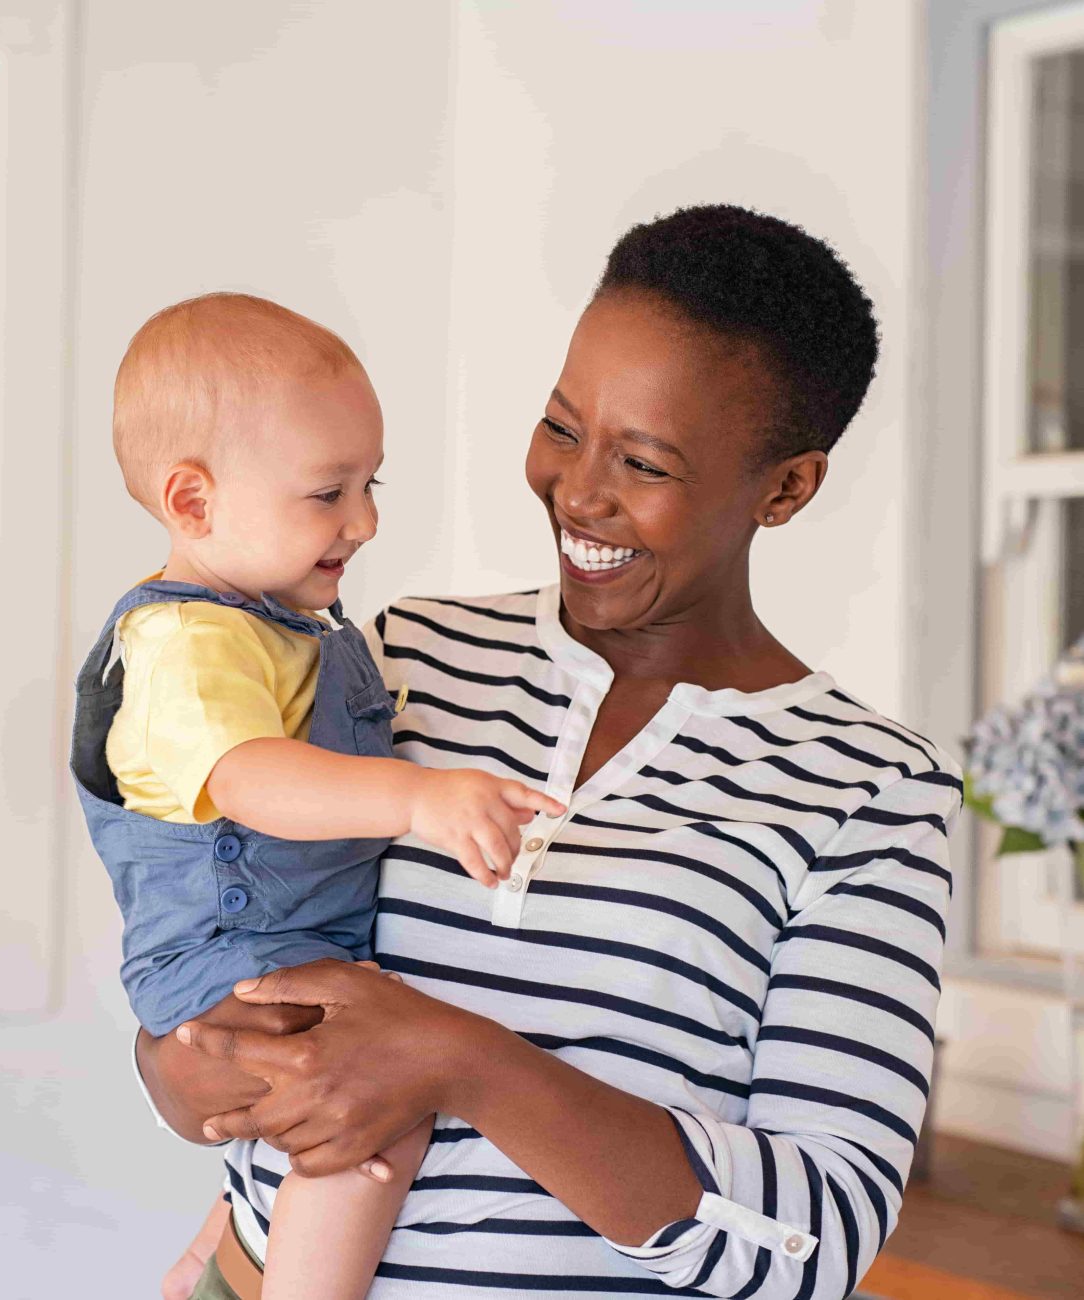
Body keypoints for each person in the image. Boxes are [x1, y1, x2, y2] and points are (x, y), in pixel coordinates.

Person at [139, 204, 964, 1300]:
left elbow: (819, 1236)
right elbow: (217, 929)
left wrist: (461, 1058)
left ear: (784, 488)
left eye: (646, 462)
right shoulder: (395, 657)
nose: (578, 491)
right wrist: (177, 1066)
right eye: (563, 428)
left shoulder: (869, 790)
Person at [69, 294, 563, 1300]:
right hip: (229, 955)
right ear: (194, 503)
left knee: (324, 1092)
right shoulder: (185, 644)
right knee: (371, 1116)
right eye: (327, 492)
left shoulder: (287, 624)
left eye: (370, 483)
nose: (366, 521)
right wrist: (418, 800)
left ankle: (218, 1242)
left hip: (287, 945)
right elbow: (253, 780)